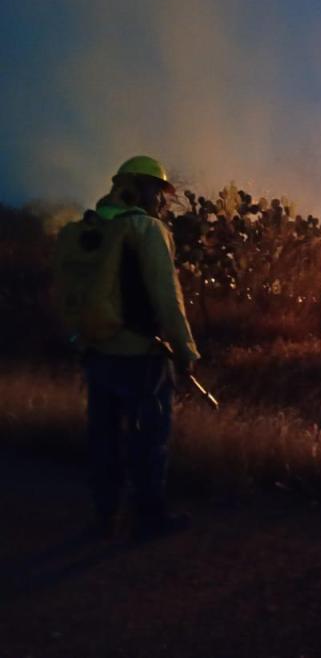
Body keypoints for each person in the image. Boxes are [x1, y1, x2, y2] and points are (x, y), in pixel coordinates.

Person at [56, 156, 200, 540]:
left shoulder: (95, 228)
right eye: (160, 191)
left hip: (98, 349)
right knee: (149, 439)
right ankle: (149, 519)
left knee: (103, 437)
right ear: (145, 188)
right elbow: (167, 297)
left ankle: (104, 516)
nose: (163, 201)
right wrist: (186, 350)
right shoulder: (145, 228)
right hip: (142, 355)